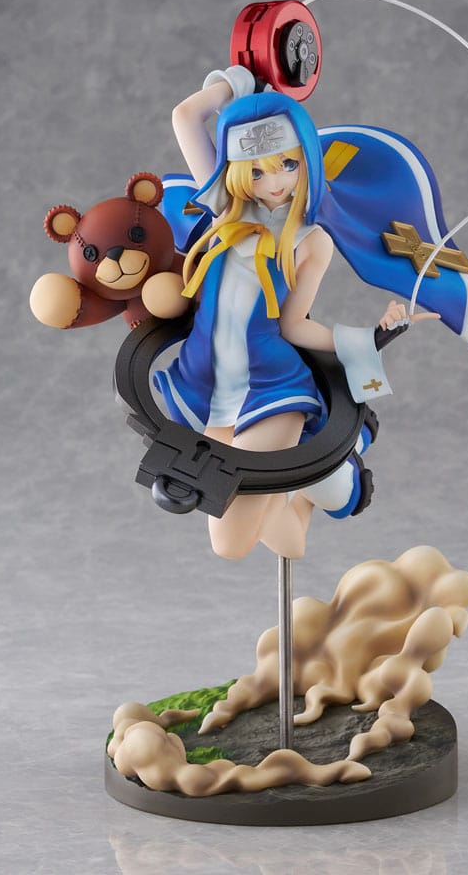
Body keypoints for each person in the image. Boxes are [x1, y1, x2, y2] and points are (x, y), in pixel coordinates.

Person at [149, 67, 434, 560]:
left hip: (271, 390)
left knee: (229, 544)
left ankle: (328, 472)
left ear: (306, 160)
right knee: (288, 543)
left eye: (287, 164)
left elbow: (293, 326)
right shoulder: (225, 211)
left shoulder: (310, 240)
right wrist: (239, 83)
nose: (275, 181)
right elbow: (185, 116)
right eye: (257, 171)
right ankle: (307, 480)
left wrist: (371, 337)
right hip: (207, 385)